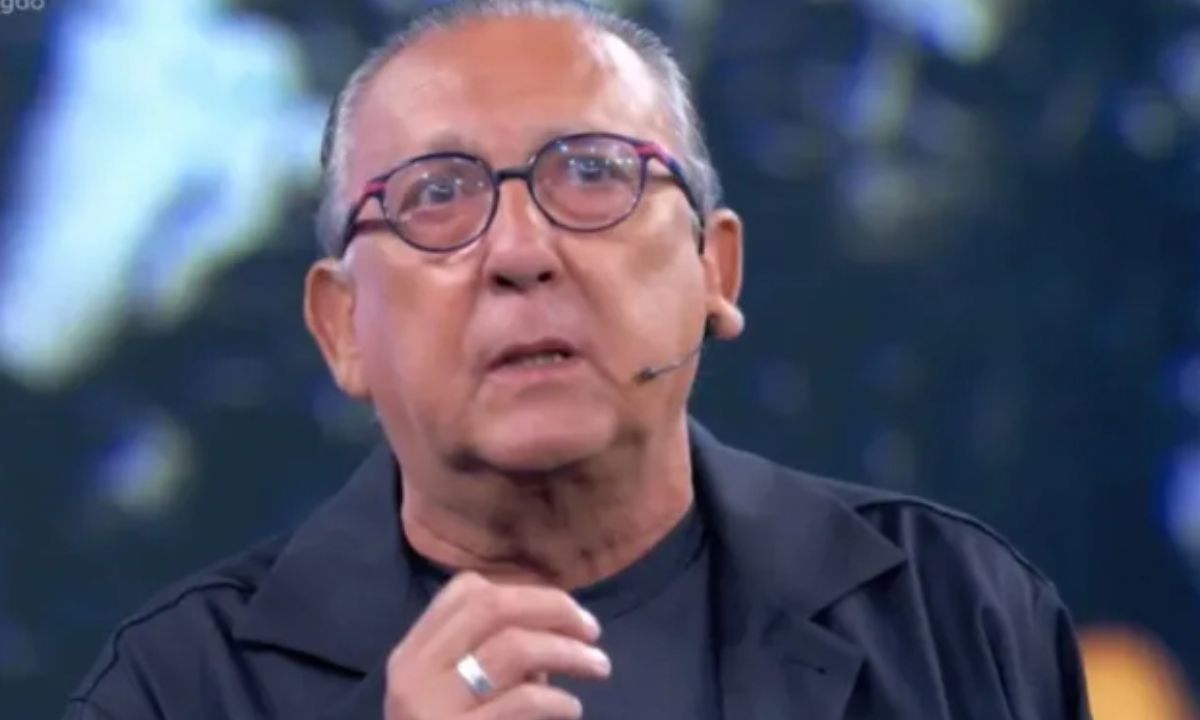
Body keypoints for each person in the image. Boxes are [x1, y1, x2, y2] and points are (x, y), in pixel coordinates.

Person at [64, 1, 1092, 718]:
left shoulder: (957, 614)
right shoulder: (179, 686)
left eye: (595, 174)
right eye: (436, 196)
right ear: (341, 327)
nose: (520, 252)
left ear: (715, 269)